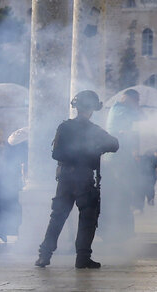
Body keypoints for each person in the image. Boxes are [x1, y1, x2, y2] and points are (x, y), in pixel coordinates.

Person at [35, 90, 119, 269]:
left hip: (65, 177)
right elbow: (114, 144)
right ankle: (82, 258)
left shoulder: (64, 127)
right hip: (84, 178)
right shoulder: (94, 130)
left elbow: (56, 153)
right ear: (92, 109)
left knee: (57, 217)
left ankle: (44, 255)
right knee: (87, 219)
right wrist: (92, 149)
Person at [100, 88, 142, 242]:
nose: (137, 104)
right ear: (127, 98)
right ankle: (118, 230)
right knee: (120, 194)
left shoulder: (119, 109)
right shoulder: (120, 109)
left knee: (121, 194)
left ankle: (121, 230)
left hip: (117, 157)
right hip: (117, 159)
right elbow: (137, 123)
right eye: (136, 100)